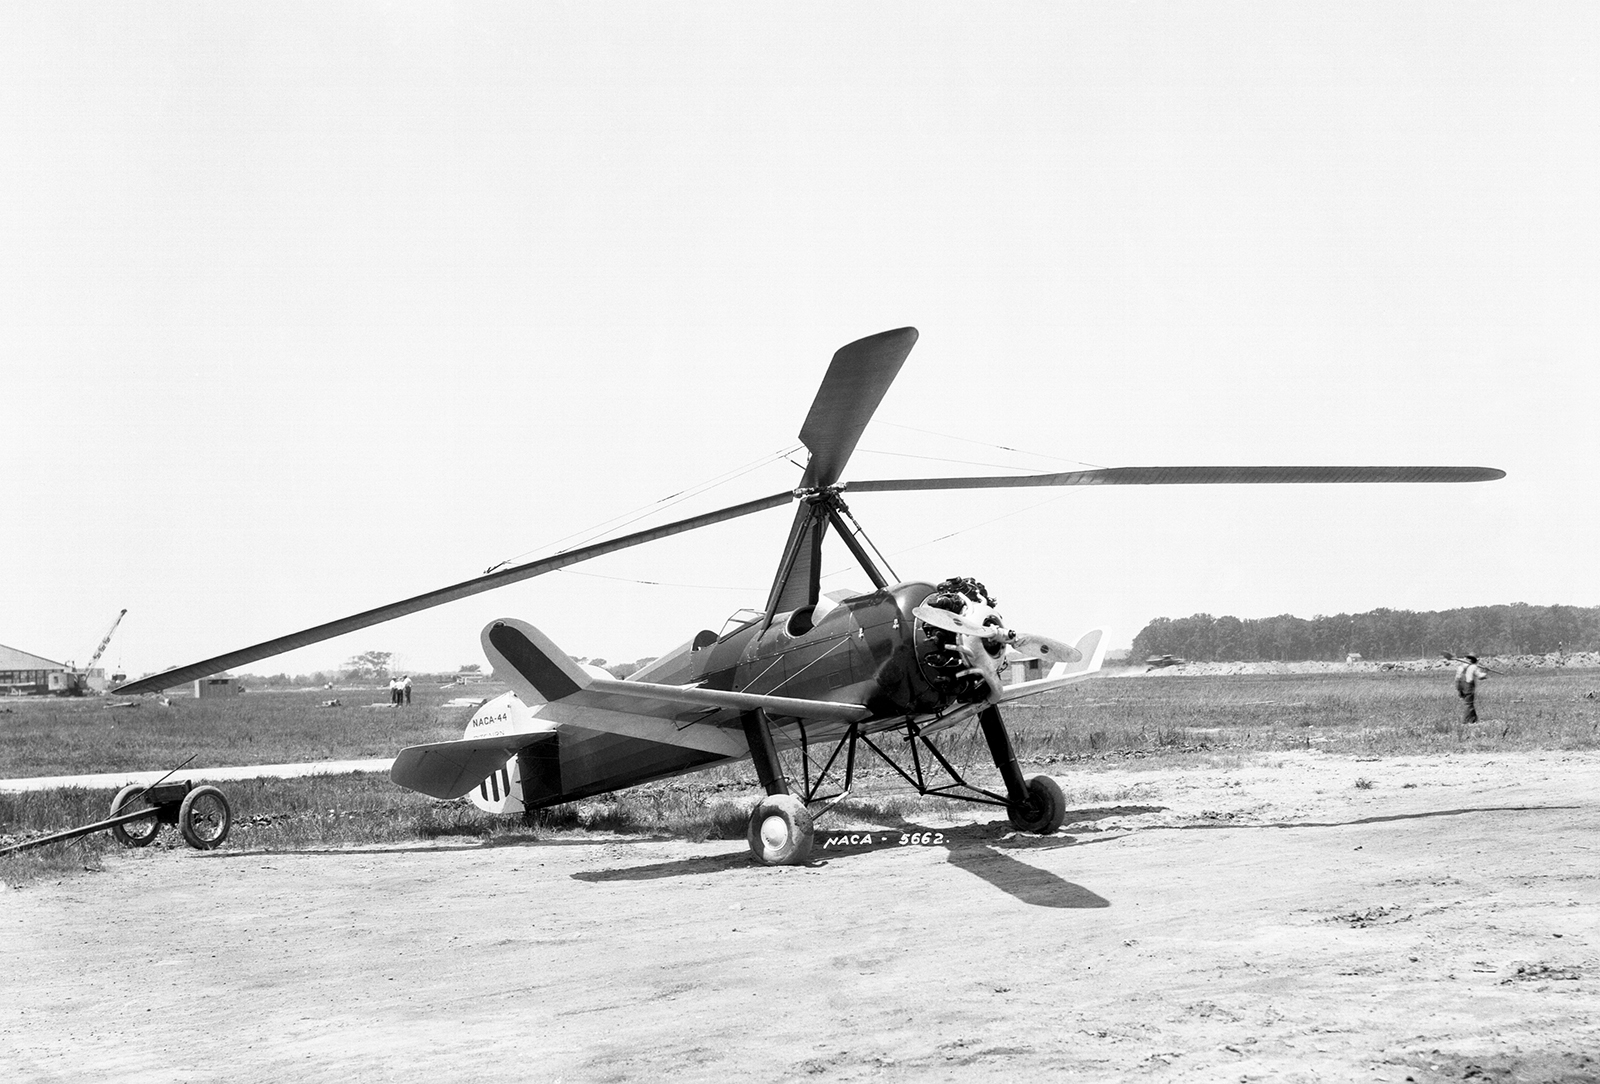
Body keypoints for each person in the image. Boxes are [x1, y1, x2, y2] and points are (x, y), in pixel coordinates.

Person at [1455, 654, 1488, 724]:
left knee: (1469, 703)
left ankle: (1474, 719)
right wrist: (1486, 672)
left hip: (1461, 685)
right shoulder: (1473, 667)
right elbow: (1480, 676)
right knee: (1468, 704)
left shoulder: (1460, 667)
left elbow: (1457, 679)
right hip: (1468, 686)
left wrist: (1459, 689)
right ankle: (1465, 721)